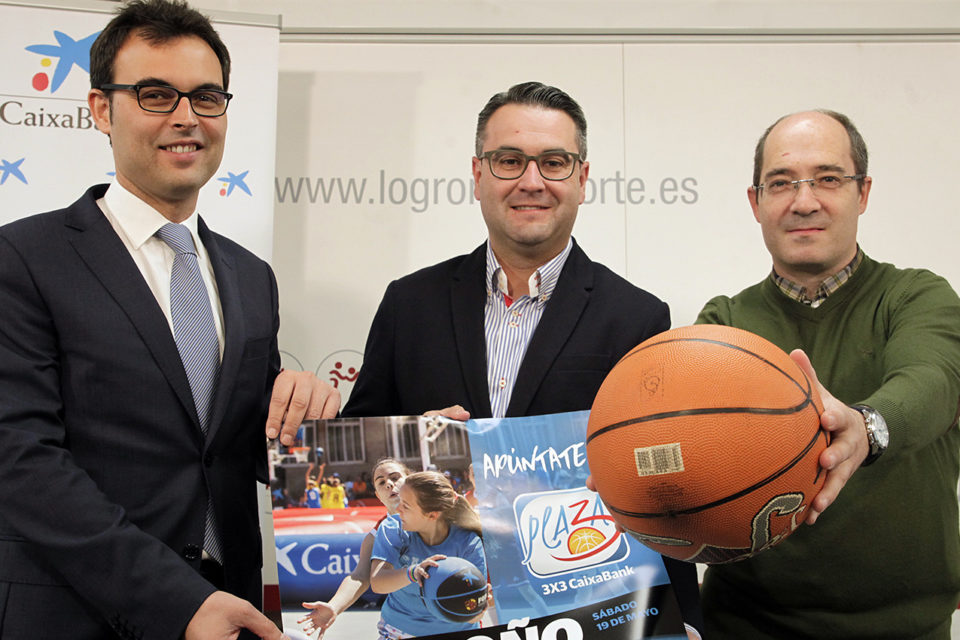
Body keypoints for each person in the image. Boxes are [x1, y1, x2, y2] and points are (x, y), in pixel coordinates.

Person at [0, 2, 340, 639]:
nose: (187, 117)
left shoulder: (250, 276)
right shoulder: (22, 258)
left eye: (207, 97)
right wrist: (177, 602)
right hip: (79, 614)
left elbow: (245, 448)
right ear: (102, 109)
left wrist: (382, 441)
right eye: (156, 95)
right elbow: (20, 460)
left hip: (231, 610)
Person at [333, 81, 702, 636]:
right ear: (478, 174)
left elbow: (661, 483)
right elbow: (363, 449)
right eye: (509, 161)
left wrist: (680, 619)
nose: (532, 181)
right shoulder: (409, 304)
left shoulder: (637, 317)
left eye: (554, 162)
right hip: (446, 608)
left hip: (579, 606)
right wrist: (412, 438)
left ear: (582, 178)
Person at [696, 109, 960, 639]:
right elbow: (690, 446)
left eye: (828, 179)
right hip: (745, 627)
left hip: (905, 630)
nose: (804, 201)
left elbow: (932, 380)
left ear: (863, 193)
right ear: (756, 202)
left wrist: (866, 427)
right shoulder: (725, 323)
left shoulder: (918, 297)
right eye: (781, 183)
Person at [299, 458, 411, 637]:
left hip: (448, 620)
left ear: (410, 480)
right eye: (381, 482)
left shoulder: (438, 514)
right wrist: (334, 606)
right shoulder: (376, 535)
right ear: (378, 495)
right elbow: (359, 577)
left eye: (395, 477)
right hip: (400, 627)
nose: (389, 484)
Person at [369, 471, 488, 638]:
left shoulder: (468, 542)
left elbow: (474, 614)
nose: (398, 509)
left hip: (457, 631)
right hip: (400, 630)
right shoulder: (393, 528)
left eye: (406, 505)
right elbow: (378, 583)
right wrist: (413, 572)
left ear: (432, 515)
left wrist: (476, 607)